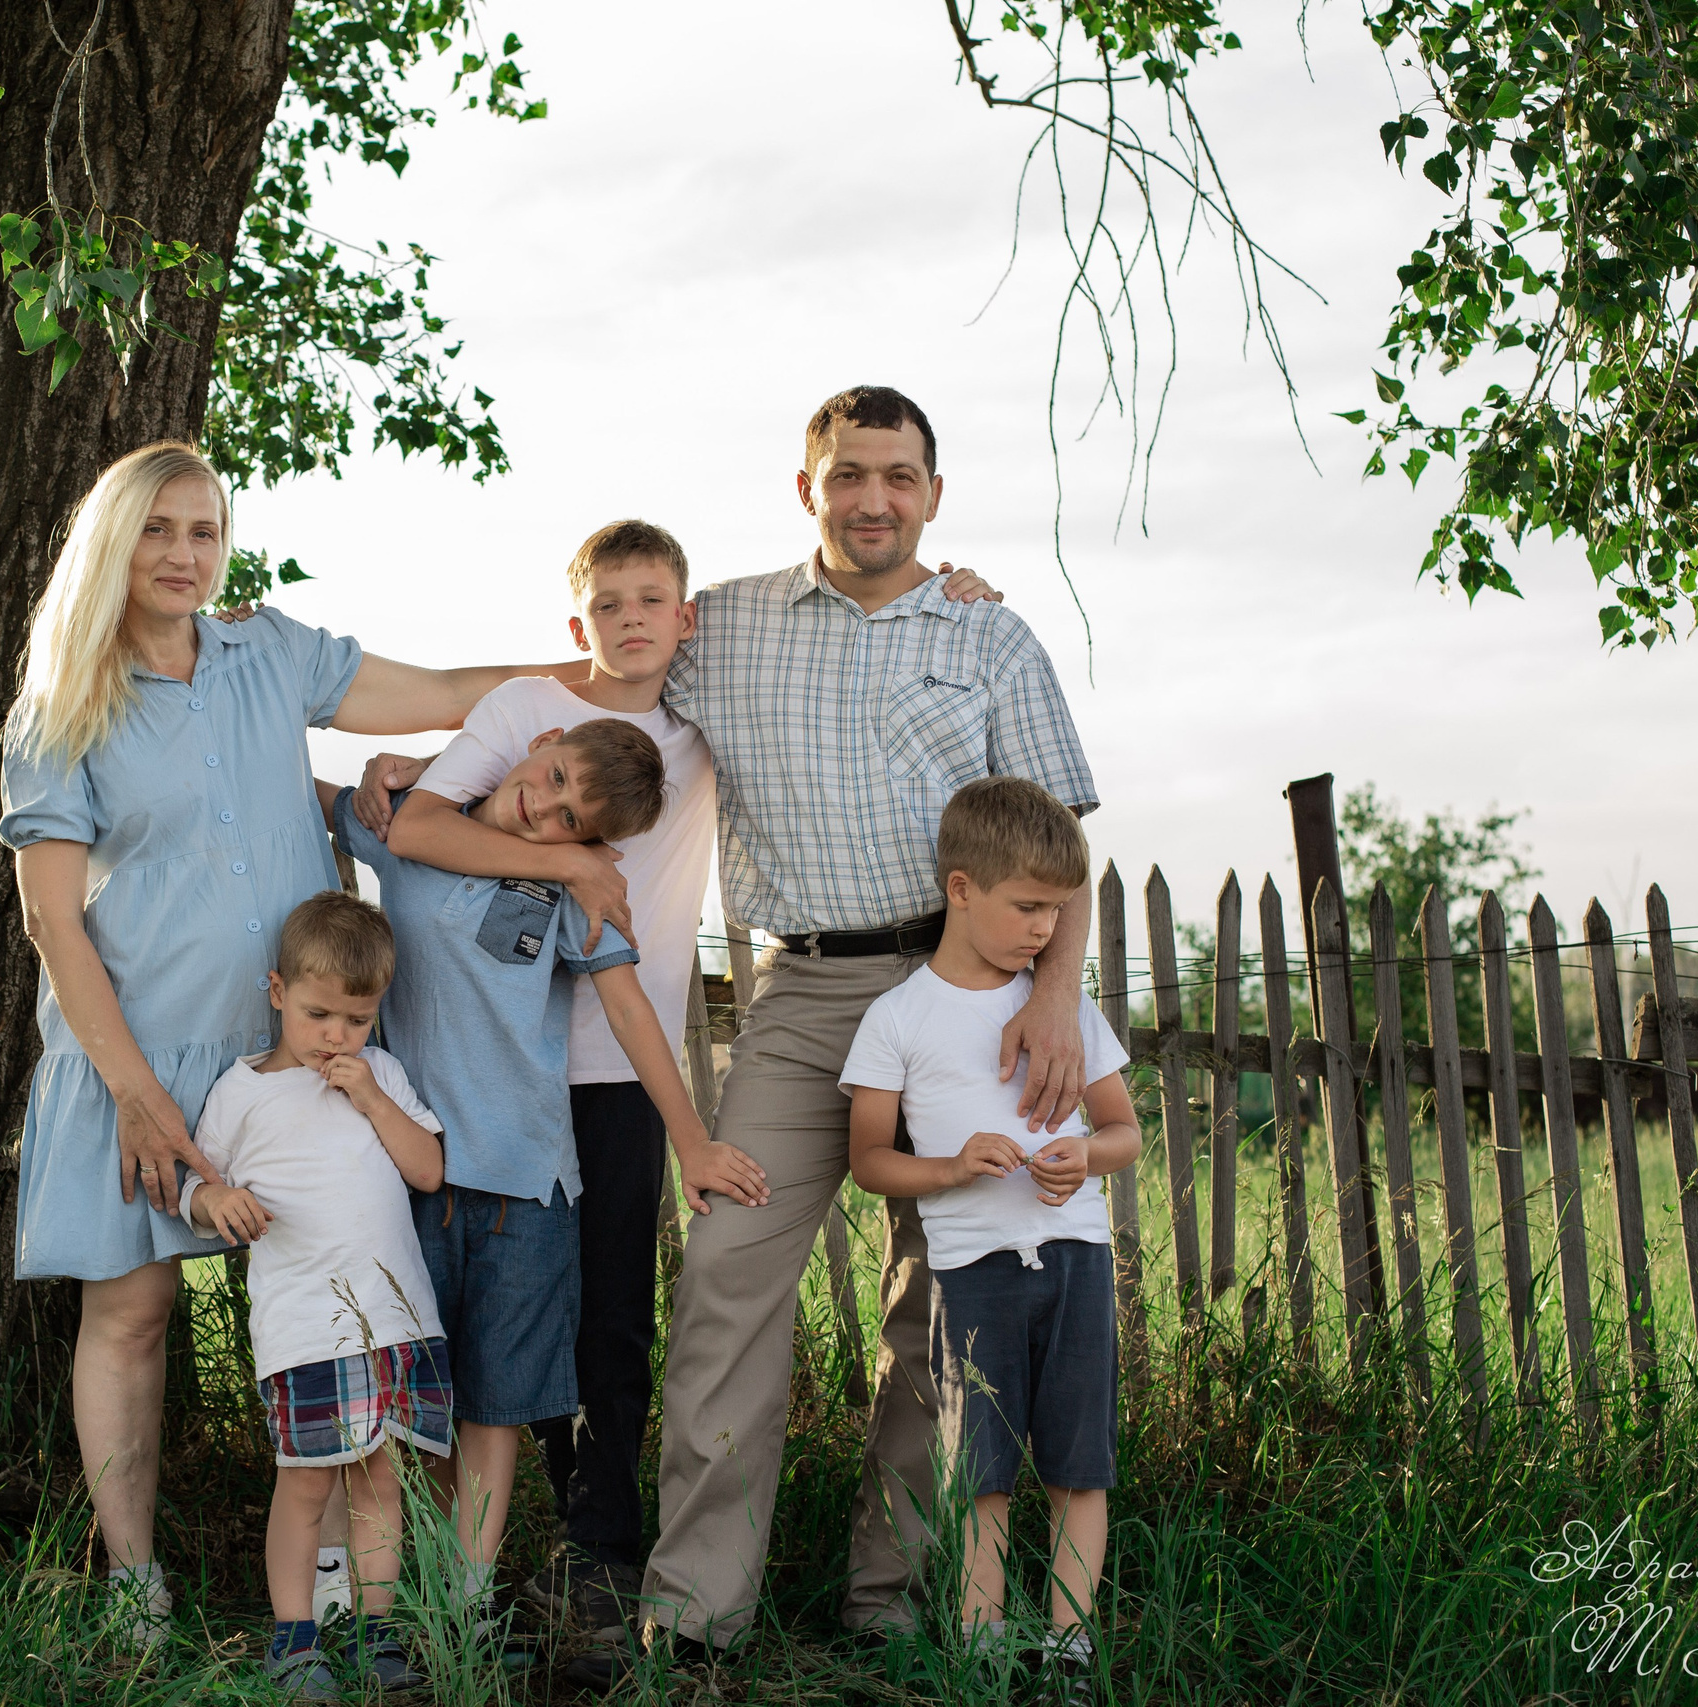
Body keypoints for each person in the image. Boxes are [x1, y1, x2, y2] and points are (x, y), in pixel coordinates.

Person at [0, 439, 582, 1646]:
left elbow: (435, 691)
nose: (181, 553)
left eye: (203, 531)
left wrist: (595, 671)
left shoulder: (270, 654)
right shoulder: (63, 703)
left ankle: (338, 1588)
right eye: (157, 529)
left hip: (301, 1049)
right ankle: (138, 1584)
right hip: (140, 1053)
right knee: (133, 1314)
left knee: (349, 1284)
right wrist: (139, 1096)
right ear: (112, 541)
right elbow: (52, 919)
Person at [632, 385, 1102, 1669]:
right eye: (848, 475)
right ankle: (695, 1616)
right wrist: (413, 769)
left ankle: (888, 1599)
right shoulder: (717, 628)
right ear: (808, 490)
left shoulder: (988, 637)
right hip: (802, 995)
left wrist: (1053, 995)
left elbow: (1064, 843)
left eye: (898, 476)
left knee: (945, 1308)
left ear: (933, 494)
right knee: (729, 1287)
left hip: (964, 999)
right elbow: (591, 673)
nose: (873, 499)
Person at [326, 720, 765, 1663]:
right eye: (554, 776)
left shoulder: (569, 890)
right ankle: (387, 1598)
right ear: (544, 739)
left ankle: (466, 1600)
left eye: (573, 818)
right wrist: (381, 766)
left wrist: (691, 1139)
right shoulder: (409, 824)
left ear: (594, 844)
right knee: (420, 1402)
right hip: (411, 1177)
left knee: (496, 1405)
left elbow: (630, 1009)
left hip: (526, 1185)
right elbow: (305, 799)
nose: (545, 805)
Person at [370, 519, 724, 1641]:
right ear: (581, 621)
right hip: (492, 1067)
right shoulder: (531, 710)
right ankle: (447, 1553)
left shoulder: (702, 726)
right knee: (495, 1305)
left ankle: (598, 1544)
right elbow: (421, 821)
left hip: (617, 1063)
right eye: (610, 602)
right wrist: (565, 857)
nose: (633, 620)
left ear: (684, 615)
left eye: (653, 600)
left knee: (610, 1307)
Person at [839, 777, 1138, 1696]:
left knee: (1078, 1463)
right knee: (984, 1470)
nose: (1048, 927)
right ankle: (982, 1643)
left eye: (1057, 908)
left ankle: (1071, 1651)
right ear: (961, 888)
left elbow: (1126, 1134)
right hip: (971, 1274)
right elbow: (868, 1161)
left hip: (1078, 1262)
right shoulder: (899, 1017)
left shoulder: (1065, 1011)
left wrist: (1082, 1157)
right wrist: (954, 1166)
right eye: (1028, 905)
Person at [182, 892, 452, 1700]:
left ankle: (377, 1632)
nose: (337, 1035)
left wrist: (370, 1095)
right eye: (318, 1013)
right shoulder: (241, 1092)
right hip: (304, 1324)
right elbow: (195, 1187)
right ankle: (294, 1637)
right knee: (305, 1484)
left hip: (395, 1317)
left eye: (357, 1019)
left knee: (379, 1480)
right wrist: (213, 1202)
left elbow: (429, 1170)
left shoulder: (386, 1076)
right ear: (276, 992)